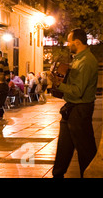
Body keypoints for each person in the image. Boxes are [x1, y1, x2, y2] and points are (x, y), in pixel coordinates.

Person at [49, 28, 98, 178]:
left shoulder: (87, 61)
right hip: (71, 109)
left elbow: (78, 91)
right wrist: (58, 79)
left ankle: (91, 175)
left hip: (80, 110)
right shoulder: (77, 59)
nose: (68, 44)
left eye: (70, 41)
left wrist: (58, 85)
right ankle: (58, 174)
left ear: (77, 42)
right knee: (64, 147)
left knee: (86, 151)